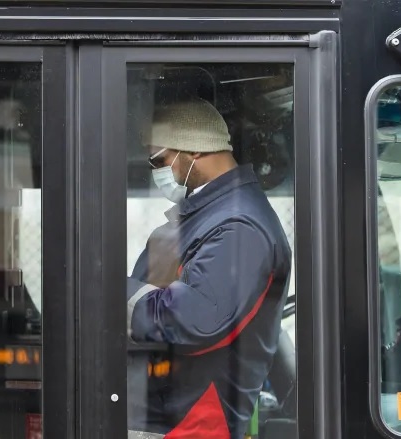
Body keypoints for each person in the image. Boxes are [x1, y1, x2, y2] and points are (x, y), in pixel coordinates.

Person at [126, 99, 292, 439]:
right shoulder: (206, 218)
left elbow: (192, 320)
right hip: (163, 412)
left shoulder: (239, 226)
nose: (155, 170)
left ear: (195, 151)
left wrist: (109, 286)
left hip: (191, 424)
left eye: (159, 160)